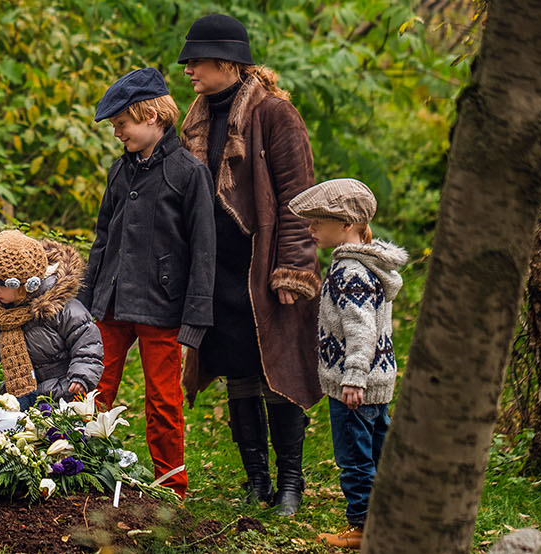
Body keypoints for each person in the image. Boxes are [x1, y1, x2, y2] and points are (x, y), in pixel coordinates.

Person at [177, 13, 323, 515]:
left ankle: (291, 484)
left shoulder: (275, 114)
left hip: (263, 268)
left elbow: (299, 199)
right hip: (216, 270)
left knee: (275, 370)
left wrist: (294, 268)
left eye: (196, 60)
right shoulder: (195, 117)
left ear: (227, 61)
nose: (189, 70)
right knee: (237, 370)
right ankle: (256, 481)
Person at [77, 66, 216, 498]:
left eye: (123, 123)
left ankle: (171, 486)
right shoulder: (120, 173)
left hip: (162, 308)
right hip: (111, 304)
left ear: (152, 115)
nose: (118, 132)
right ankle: (78, 470)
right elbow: (103, 240)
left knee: (162, 400)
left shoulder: (188, 173)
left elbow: (204, 251)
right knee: (91, 390)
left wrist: (194, 319)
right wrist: (83, 300)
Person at [289, 179, 406, 550]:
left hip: (355, 384)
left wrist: (353, 376)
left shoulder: (349, 272)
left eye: (317, 222)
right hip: (379, 380)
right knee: (377, 452)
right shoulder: (369, 264)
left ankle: (363, 527)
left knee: (355, 457)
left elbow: (361, 329)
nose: (310, 229)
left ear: (346, 225)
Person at [0, 230, 103, 410]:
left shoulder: (62, 309)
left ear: (27, 284)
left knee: (58, 437)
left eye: (0, 285)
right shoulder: (0, 312)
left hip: (61, 395)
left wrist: (81, 376)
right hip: (19, 398)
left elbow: (88, 345)